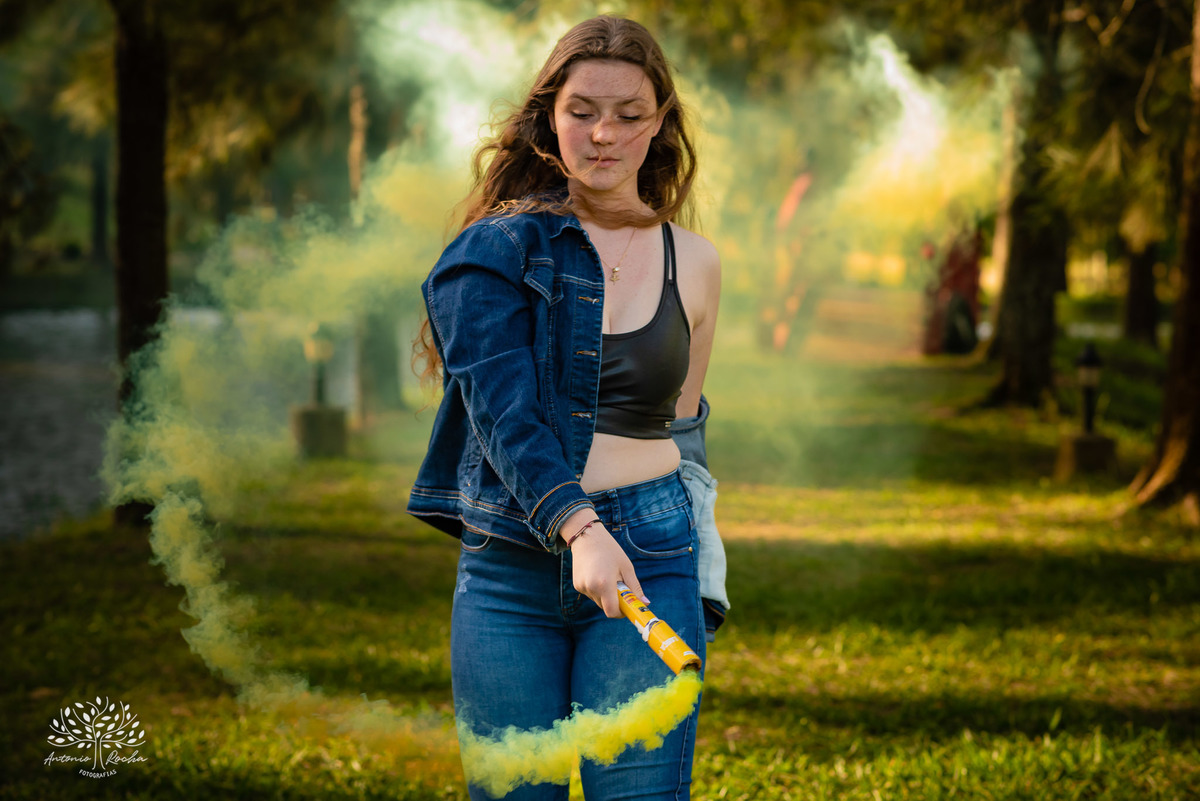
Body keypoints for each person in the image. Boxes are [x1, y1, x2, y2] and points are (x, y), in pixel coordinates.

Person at [407, 15, 721, 800]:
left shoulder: (698, 262)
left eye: (628, 115)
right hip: (512, 562)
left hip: (651, 552)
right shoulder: (492, 252)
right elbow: (504, 418)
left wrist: (702, 558)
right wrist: (580, 527)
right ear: (549, 115)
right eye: (582, 110)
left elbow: (684, 428)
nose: (603, 134)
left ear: (661, 125)